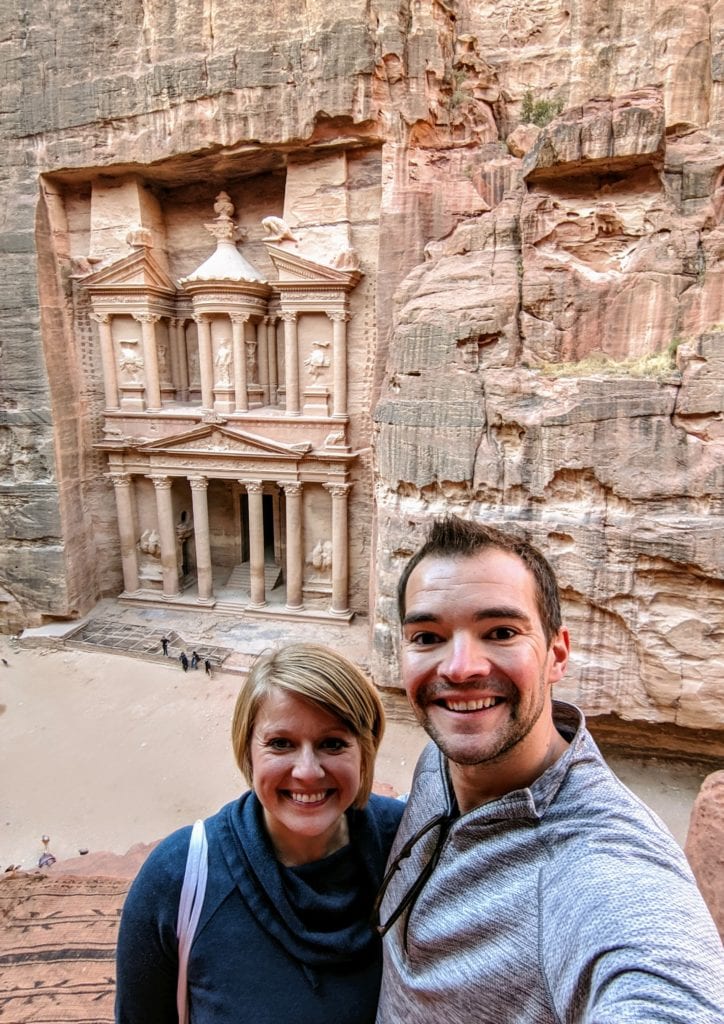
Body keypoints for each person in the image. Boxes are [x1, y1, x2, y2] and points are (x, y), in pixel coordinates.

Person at [376, 515, 724, 1023]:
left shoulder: (593, 862)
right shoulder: (443, 756)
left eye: (500, 631)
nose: (460, 668)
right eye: (428, 637)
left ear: (557, 654)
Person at [116, 643, 404, 1023]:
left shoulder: (408, 844)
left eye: (332, 743)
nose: (307, 771)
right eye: (281, 744)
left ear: (365, 751)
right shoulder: (177, 878)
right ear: (247, 750)